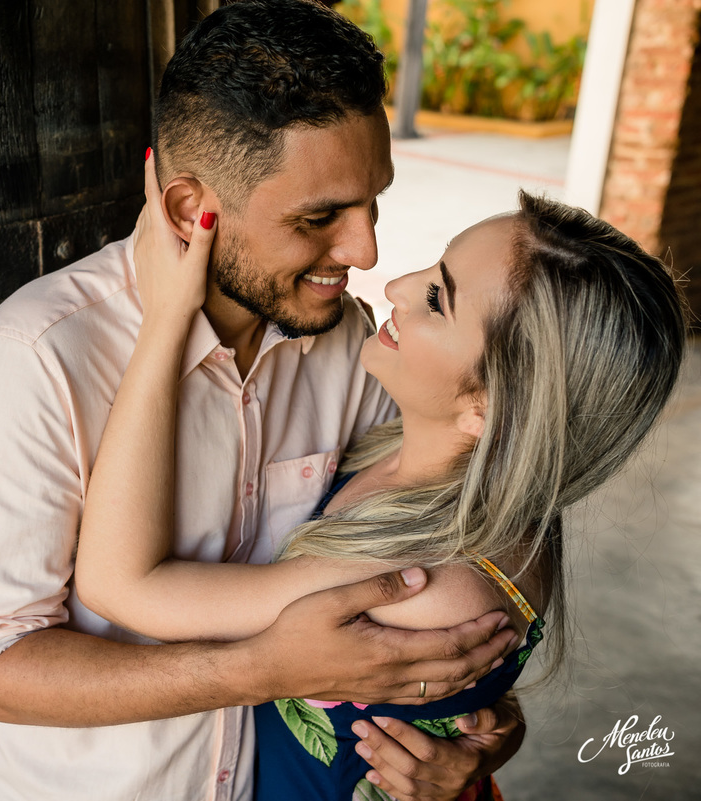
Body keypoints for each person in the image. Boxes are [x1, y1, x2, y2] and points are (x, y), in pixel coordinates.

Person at [0, 2, 523, 799]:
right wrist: (258, 670)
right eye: (320, 217)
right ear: (187, 209)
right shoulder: (34, 363)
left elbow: (428, 553)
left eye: (371, 201)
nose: (366, 250)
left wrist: (476, 729)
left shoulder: (355, 348)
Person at [74, 155, 687, 800]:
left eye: (436, 300)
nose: (394, 286)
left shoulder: (415, 584)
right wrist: (495, 727)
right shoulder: (457, 471)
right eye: (434, 264)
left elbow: (121, 585)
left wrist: (168, 317)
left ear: (488, 406)